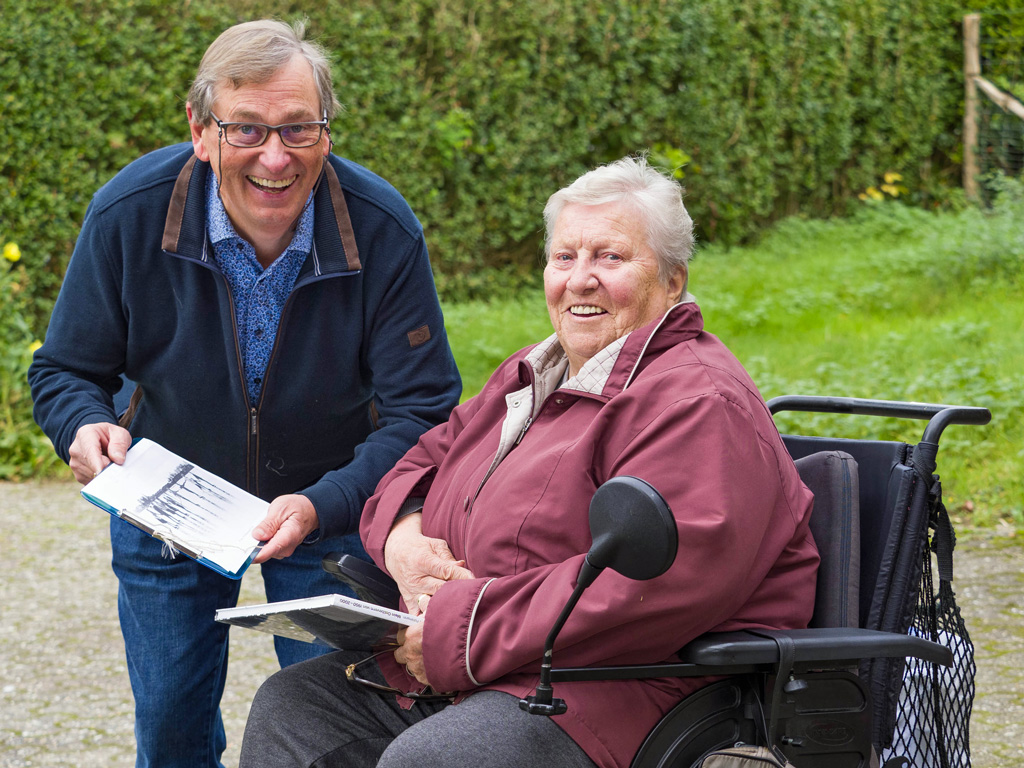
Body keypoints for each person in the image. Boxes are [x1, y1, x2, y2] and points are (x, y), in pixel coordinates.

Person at [238, 157, 819, 768]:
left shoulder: (698, 404)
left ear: (673, 281)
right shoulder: (535, 372)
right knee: (295, 706)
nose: (581, 279)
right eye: (564, 257)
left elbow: (648, 586)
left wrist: (458, 633)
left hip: (622, 686)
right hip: (493, 666)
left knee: (440, 758)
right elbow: (414, 466)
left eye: (610, 258)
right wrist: (405, 539)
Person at [28, 19, 461, 768]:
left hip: (330, 506)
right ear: (201, 131)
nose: (275, 155)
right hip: (169, 503)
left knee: (342, 727)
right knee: (171, 730)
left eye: (298, 128)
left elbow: (424, 411)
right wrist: (82, 425)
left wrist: (328, 502)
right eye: (247, 129)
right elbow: (64, 370)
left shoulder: (382, 229)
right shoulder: (128, 213)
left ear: (326, 131)